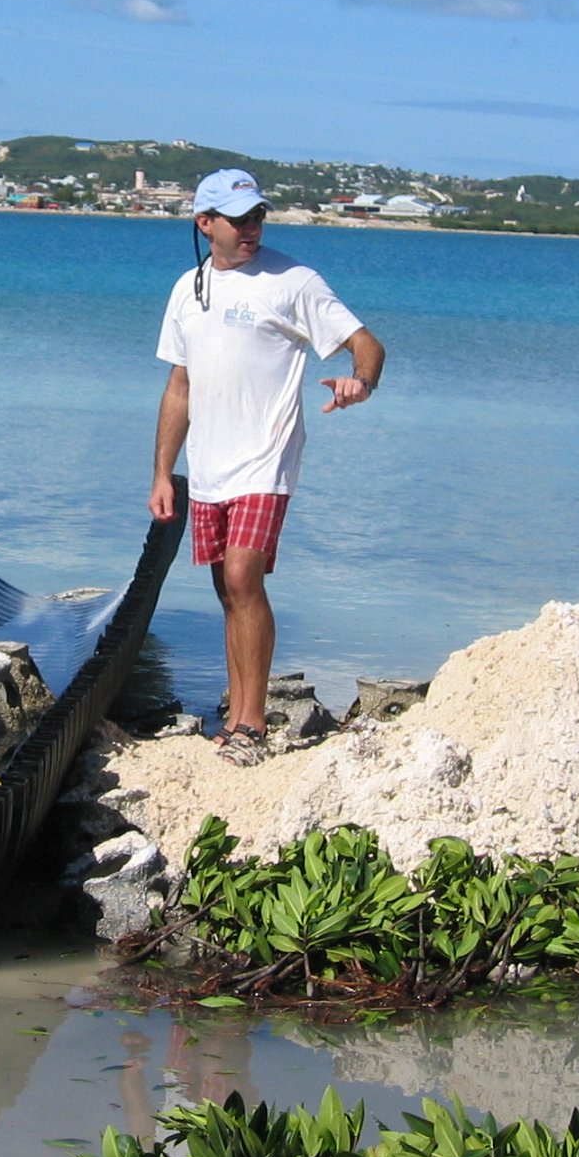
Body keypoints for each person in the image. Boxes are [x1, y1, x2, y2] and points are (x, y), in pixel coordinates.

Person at [149, 169, 385, 765]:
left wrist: (361, 383)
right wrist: (161, 473)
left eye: (258, 216)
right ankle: (233, 716)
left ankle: (252, 725)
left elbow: (367, 344)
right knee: (225, 592)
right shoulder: (188, 288)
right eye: (238, 218)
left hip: (266, 459)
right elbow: (180, 387)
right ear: (205, 225)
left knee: (242, 580)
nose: (252, 227)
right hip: (207, 467)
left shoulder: (292, 280)